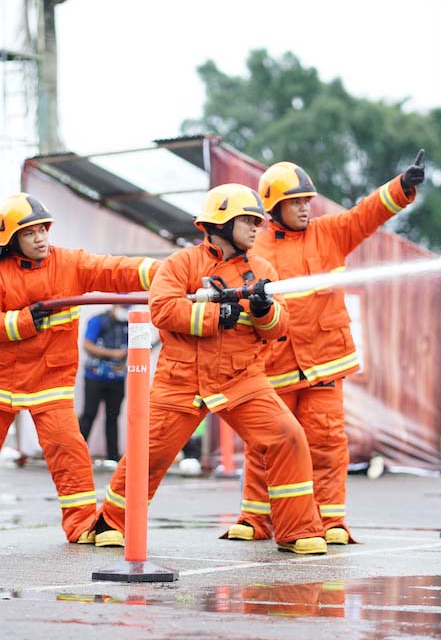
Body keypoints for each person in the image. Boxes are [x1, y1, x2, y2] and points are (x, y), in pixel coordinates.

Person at [93, 183, 327, 555]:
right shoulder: (182, 264)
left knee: (288, 438)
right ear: (221, 223)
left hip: (242, 379)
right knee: (147, 454)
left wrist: (265, 311)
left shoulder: (262, 270)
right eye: (248, 221)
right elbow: (163, 309)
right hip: (181, 380)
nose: (256, 228)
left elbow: (279, 328)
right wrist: (218, 314)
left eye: (257, 221)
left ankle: (297, 529)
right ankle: (111, 521)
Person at [0, 193, 158, 545]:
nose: (40, 238)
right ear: (11, 241)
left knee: (69, 452)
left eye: (43, 229)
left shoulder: (69, 264)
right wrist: (23, 320)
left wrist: (166, 274)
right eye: (30, 232)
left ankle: (83, 525)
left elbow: (113, 270)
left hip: (49, 382)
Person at [225, 153, 424, 545]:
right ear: (273, 207)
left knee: (327, 441)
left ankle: (330, 520)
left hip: (325, 363)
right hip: (274, 365)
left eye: (306, 201)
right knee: (265, 443)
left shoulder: (331, 232)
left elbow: (366, 214)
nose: (304, 208)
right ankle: (255, 518)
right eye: (295, 201)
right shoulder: (253, 248)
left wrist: (401, 186)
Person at [78, 305, 130, 464]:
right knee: (88, 415)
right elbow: (87, 345)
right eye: (123, 306)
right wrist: (113, 354)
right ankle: (76, 455)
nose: (125, 310)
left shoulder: (129, 325)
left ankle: (112, 457)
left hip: (118, 379)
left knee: (113, 418)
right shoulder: (98, 320)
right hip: (95, 376)